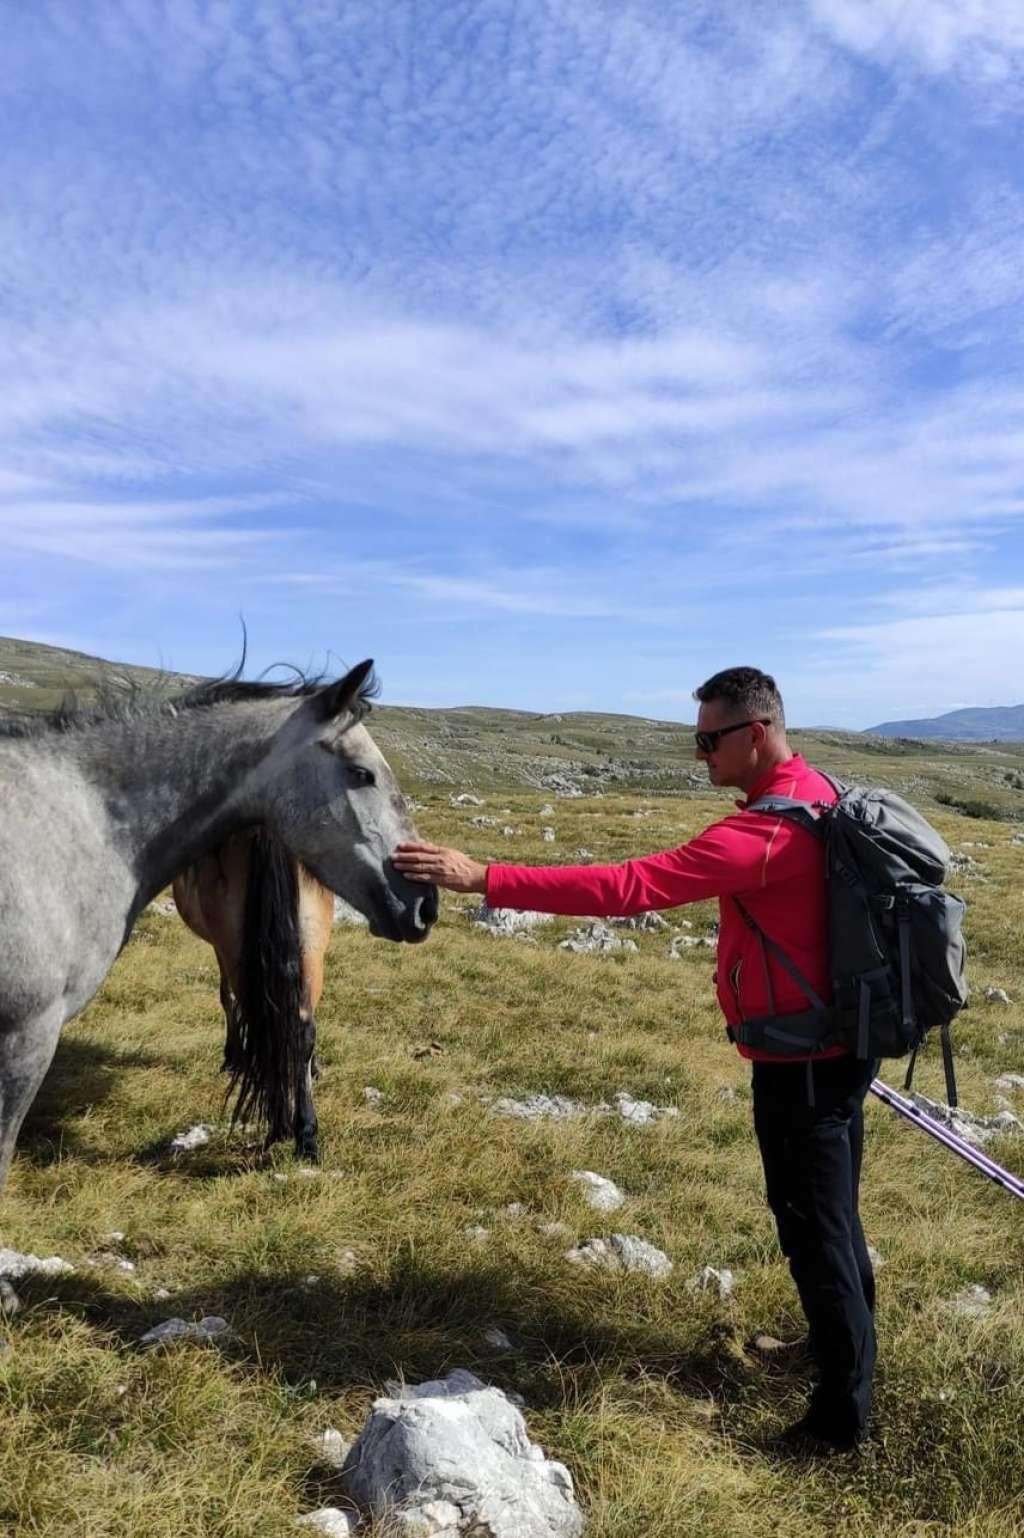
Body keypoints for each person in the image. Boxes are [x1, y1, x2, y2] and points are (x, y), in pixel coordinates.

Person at [393, 666, 876, 1454]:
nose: (698, 756)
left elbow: (630, 887)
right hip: (833, 1045)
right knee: (835, 1219)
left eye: (707, 739)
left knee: (815, 1228)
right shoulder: (812, 790)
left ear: (754, 735)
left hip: (803, 1060)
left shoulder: (764, 834)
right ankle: (833, 1350)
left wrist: (484, 877)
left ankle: (839, 1422)